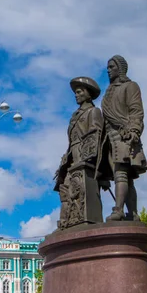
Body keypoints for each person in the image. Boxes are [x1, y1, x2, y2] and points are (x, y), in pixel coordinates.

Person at [100, 55, 147, 221]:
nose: (108, 70)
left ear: (120, 69)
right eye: (107, 67)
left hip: (124, 135)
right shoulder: (108, 93)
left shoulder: (130, 86)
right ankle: (133, 213)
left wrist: (134, 130)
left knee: (122, 173)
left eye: (112, 67)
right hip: (109, 139)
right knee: (124, 177)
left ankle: (119, 210)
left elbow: (136, 111)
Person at [54, 77, 105, 229]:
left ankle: (83, 219)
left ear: (88, 94)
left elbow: (96, 134)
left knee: (81, 189)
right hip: (72, 155)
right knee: (65, 189)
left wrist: (87, 157)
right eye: (75, 92)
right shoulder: (75, 116)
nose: (76, 95)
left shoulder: (93, 112)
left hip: (84, 154)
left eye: (79, 92)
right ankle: (66, 221)